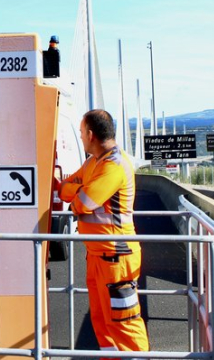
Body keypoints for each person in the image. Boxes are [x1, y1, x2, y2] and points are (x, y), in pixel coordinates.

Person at [59, 109, 149, 353]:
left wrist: (78, 192)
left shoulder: (114, 166)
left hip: (116, 257)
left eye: (80, 133)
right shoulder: (93, 162)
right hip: (98, 255)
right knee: (102, 322)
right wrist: (80, 191)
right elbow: (64, 187)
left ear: (90, 134)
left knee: (124, 324)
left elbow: (80, 204)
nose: (80, 137)